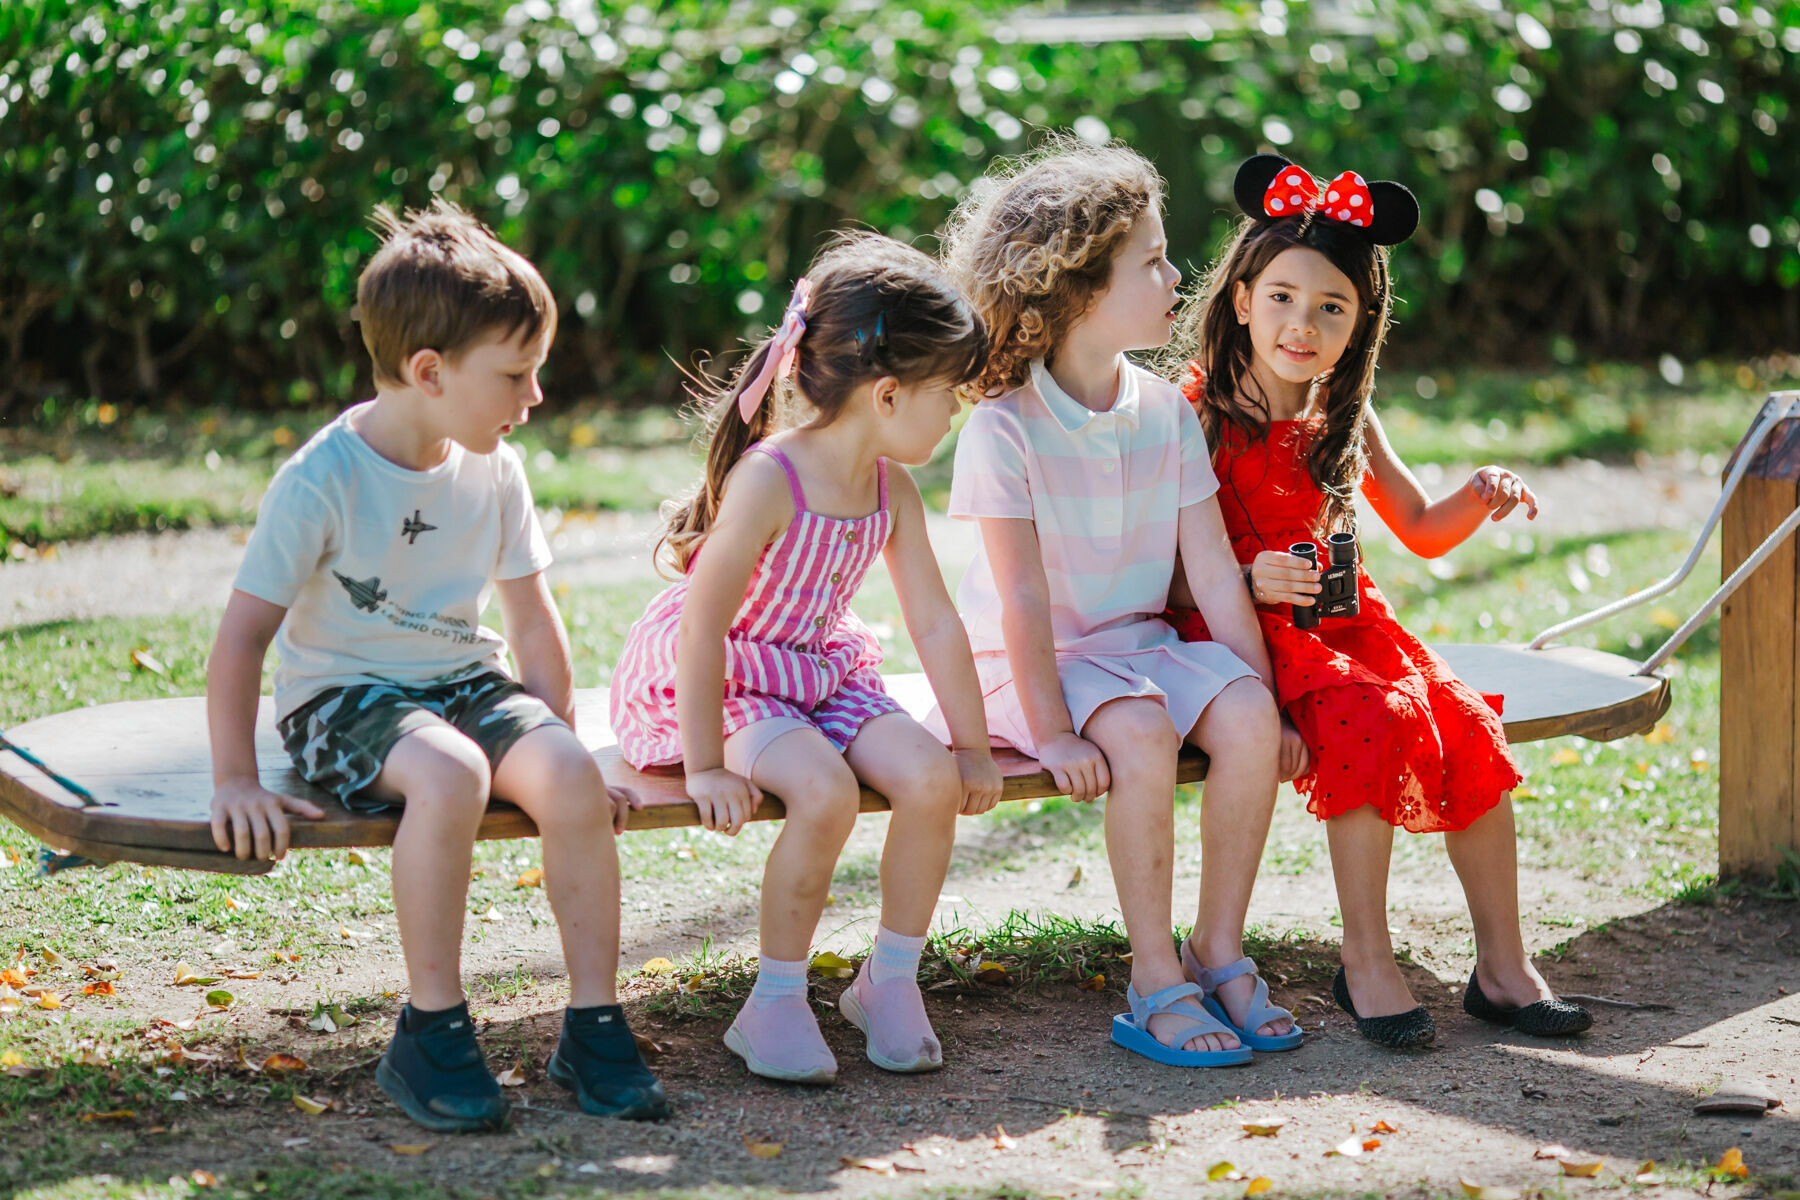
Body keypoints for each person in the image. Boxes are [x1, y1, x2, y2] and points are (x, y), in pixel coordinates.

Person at [205, 200, 667, 1131]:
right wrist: (235, 781)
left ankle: (593, 1025)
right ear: (429, 371)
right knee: (451, 774)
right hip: (342, 697)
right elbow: (241, 640)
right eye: (516, 375)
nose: (535, 397)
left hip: (462, 684)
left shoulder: (496, 468)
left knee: (570, 775)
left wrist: (566, 760)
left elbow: (531, 621)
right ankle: (430, 1028)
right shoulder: (322, 479)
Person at [1163, 154, 1593, 1047]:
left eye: (1332, 307)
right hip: (1232, 628)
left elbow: (1423, 529)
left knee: (1467, 721)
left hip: (1345, 619)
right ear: (1240, 299)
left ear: (1362, 322)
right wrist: (1245, 578)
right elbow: (1149, 568)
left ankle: (1503, 968)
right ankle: (1365, 960)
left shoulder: (1343, 410)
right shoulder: (1192, 413)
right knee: (1373, 718)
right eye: (1281, 297)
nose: (1302, 323)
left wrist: (1480, 492)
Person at [610, 234, 1005, 1085]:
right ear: (889, 394)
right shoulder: (770, 478)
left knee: (930, 778)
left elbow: (935, 623)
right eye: (949, 394)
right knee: (824, 791)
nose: (955, 414)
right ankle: (775, 1000)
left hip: (818, 671)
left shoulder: (892, 489)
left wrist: (971, 747)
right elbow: (703, 628)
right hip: (731, 678)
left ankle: (888, 980)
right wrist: (706, 764)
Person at [936, 141, 1298, 1067]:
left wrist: (1270, 701)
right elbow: (1020, 599)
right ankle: (1153, 977)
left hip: (1138, 649)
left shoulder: (1166, 411)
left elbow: (1212, 573)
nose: (1178, 277)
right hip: (1031, 666)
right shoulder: (1003, 426)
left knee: (1248, 716)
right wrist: (1054, 736)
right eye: (1154, 261)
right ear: (1077, 288)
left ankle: (1217, 949)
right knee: (1138, 731)